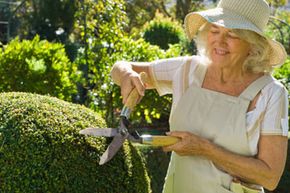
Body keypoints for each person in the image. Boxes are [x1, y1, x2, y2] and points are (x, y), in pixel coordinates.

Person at [110, 0, 289, 192]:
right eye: (214, 30)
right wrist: (127, 75)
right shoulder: (187, 69)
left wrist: (205, 149)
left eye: (232, 34)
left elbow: (270, 176)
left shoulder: (271, 93)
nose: (219, 41)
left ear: (252, 46)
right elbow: (119, 68)